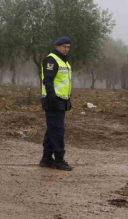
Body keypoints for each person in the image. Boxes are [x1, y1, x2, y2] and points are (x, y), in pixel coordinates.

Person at [40, 37, 74, 171]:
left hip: (62, 100)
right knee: (58, 131)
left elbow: (64, 83)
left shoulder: (64, 61)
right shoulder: (52, 59)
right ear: (57, 46)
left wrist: (67, 100)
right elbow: (47, 81)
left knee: (52, 130)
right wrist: (52, 98)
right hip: (53, 100)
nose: (66, 49)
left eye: (68, 47)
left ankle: (46, 159)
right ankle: (59, 160)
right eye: (64, 46)